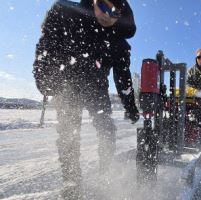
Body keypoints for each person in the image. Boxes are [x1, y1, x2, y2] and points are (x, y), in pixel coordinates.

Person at [33, 0, 139, 198]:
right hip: (67, 84)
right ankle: (72, 182)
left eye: (115, 12)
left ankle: (106, 172)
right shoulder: (67, 12)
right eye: (104, 6)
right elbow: (47, 43)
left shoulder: (119, 43)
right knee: (68, 133)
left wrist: (130, 106)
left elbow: (123, 79)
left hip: (96, 88)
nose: (108, 14)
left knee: (106, 128)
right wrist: (44, 74)